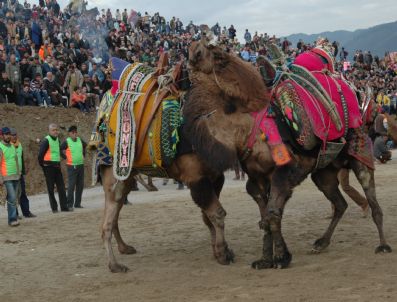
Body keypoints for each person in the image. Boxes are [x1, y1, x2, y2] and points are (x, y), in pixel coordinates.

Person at [38, 124, 70, 213]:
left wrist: (65, 156)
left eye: (56, 130)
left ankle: (64, 207)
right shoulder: (46, 141)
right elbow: (40, 155)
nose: (55, 131)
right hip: (48, 168)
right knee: (51, 189)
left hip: (57, 167)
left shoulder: (57, 140)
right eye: (53, 130)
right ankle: (54, 208)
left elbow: (58, 151)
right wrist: (43, 166)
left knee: (61, 188)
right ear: (49, 131)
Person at [10, 128, 36, 218]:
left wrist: (23, 171)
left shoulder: (19, 145)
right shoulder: (6, 146)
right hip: (11, 174)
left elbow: (21, 158)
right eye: (12, 135)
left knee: (23, 194)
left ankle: (26, 212)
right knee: (13, 195)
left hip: (19, 174)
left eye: (15, 134)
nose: (14, 136)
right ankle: (15, 214)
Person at [61, 126, 86, 209]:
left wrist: (83, 155)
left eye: (76, 132)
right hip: (72, 167)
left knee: (80, 185)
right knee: (71, 186)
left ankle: (77, 204)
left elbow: (85, 145)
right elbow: (60, 149)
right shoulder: (67, 142)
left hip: (80, 165)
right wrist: (65, 157)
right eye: (73, 132)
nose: (75, 134)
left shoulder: (79, 140)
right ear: (69, 134)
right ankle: (69, 204)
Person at [0, 127, 21, 226]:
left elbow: (16, 160)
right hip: (6, 177)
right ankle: (12, 219)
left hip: (15, 176)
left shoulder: (12, 146)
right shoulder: (0, 147)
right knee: (12, 198)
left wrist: (19, 173)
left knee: (14, 198)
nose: (8, 136)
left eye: (9, 134)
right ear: (2, 136)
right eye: (6, 134)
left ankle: (13, 217)